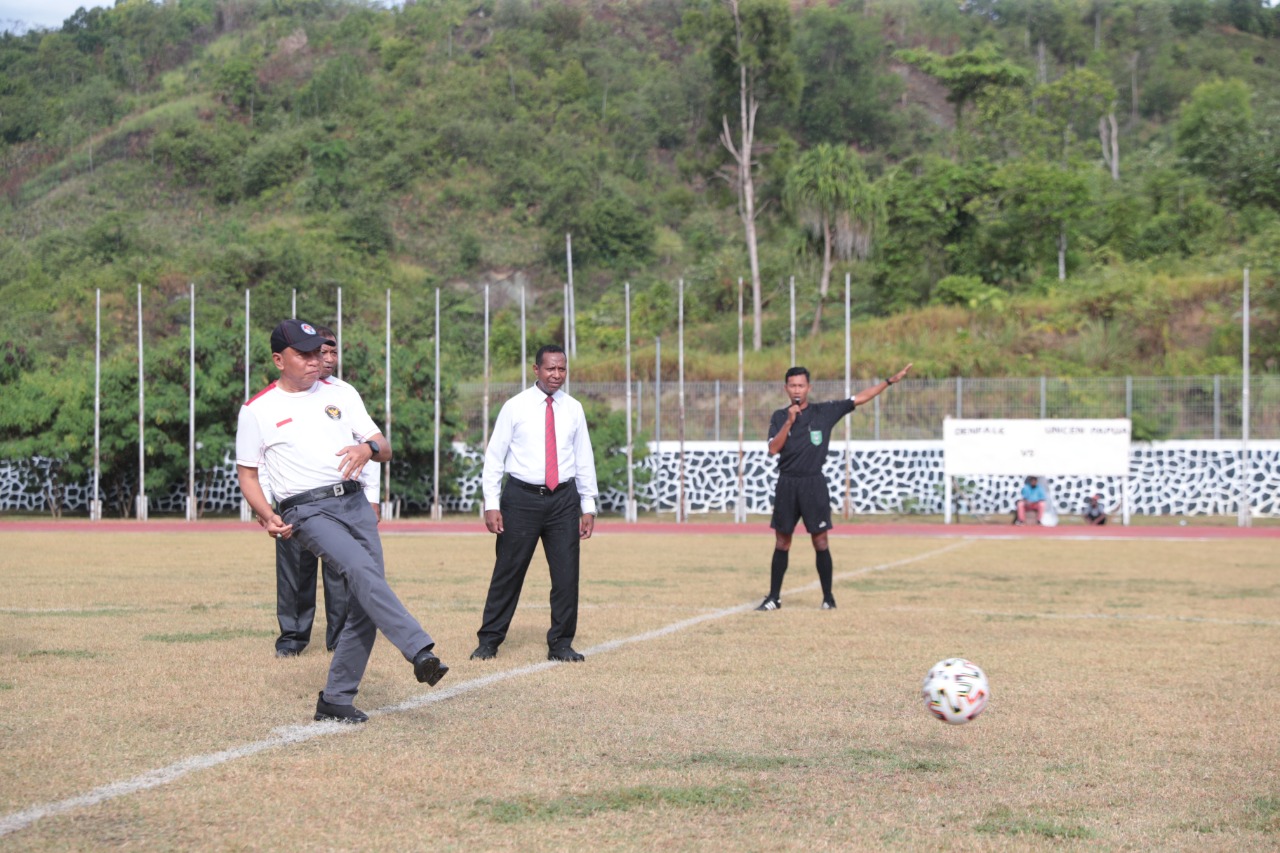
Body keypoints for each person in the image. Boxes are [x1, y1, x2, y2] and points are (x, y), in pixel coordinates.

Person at [237, 319, 448, 724]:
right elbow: (248, 473)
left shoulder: (342, 392)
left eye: (319, 351)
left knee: (365, 600)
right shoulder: (257, 409)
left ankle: (335, 699)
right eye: (304, 354)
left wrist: (367, 448)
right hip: (306, 510)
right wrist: (267, 516)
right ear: (279, 360)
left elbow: (383, 446)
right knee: (359, 569)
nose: (316, 360)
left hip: (353, 503)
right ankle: (419, 650)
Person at [471, 344, 598, 663]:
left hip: (564, 501)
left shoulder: (574, 409)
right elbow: (494, 457)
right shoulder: (515, 407)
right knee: (508, 572)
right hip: (521, 500)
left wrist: (588, 504)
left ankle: (561, 644)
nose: (557, 375)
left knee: (567, 575)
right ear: (536, 370)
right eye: (550, 369)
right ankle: (489, 641)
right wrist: (492, 503)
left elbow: (584, 458)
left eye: (562, 369)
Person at [756, 362, 913, 612]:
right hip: (787, 483)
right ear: (786, 388)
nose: (797, 390)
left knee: (820, 541)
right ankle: (774, 598)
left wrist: (889, 381)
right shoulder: (779, 416)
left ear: (809, 387)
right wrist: (789, 422)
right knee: (782, 542)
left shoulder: (824, 412)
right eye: (793, 385)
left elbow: (859, 398)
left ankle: (828, 598)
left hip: (813, 483)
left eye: (801, 385)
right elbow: (773, 449)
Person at [271, 326, 380, 657]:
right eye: (321, 352)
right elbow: (262, 457)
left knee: (340, 573)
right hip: (295, 503)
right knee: (295, 573)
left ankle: (338, 638)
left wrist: (372, 497)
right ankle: (292, 638)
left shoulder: (344, 393)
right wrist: (269, 506)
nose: (327, 359)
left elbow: (368, 447)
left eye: (333, 352)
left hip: (340, 501)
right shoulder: (277, 400)